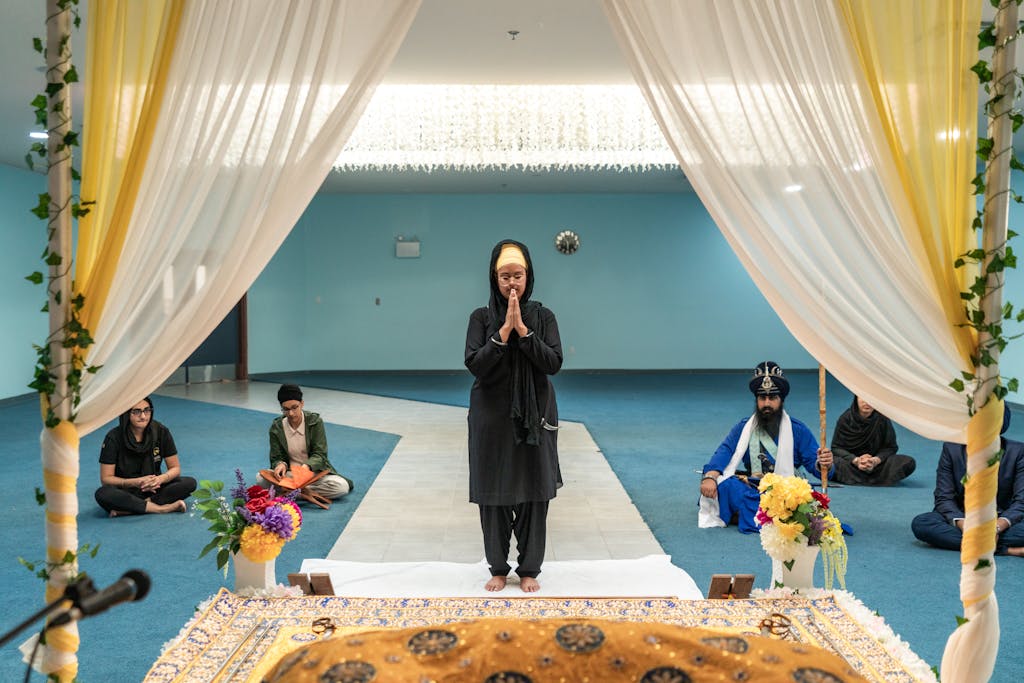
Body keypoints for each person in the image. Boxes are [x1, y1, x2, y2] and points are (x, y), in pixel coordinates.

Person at [465, 240, 563, 592]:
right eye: (504, 276)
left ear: (528, 276)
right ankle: (496, 566)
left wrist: (523, 330)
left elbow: (553, 362)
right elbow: (475, 364)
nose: (511, 284)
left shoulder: (543, 316)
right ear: (494, 278)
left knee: (535, 491)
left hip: (535, 416)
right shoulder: (481, 317)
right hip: (491, 417)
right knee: (493, 491)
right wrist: (503, 332)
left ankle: (529, 569)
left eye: (517, 276)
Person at [698, 361, 834, 533]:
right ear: (757, 400)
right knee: (724, 485)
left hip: (786, 490)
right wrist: (710, 476)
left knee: (804, 496)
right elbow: (724, 452)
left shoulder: (797, 430)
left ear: (781, 400)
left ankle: (743, 514)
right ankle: (768, 516)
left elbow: (816, 465)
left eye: (772, 398)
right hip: (754, 486)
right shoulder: (743, 427)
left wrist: (824, 463)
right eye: (762, 398)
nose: (767, 403)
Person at [911, 405, 1024, 556]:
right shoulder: (952, 449)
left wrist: (996, 528)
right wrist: (966, 526)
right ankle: (1006, 550)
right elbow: (944, 497)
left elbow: (1021, 501)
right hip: (963, 517)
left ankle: (976, 544)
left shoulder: (1018, 452)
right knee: (922, 524)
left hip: (1003, 519)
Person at [94, 397, 197, 517]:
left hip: (154, 488)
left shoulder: (161, 431)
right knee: (103, 493)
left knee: (190, 483)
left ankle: (131, 509)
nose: (143, 416)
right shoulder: (113, 438)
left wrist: (160, 479)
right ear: (126, 413)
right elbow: (106, 479)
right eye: (136, 412)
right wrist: (135, 482)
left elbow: (175, 468)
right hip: (126, 490)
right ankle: (161, 509)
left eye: (147, 410)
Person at [265, 384, 353, 500]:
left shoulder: (314, 422)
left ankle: (293, 492)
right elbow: (276, 457)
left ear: (302, 403)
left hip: (314, 474)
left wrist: (306, 467)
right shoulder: (277, 427)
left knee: (341, 487)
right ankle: (303, 492)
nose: (291, 413)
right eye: (286, 409)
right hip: (291, 474)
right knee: (261, 479)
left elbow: (320, 455)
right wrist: (280, 464)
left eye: (294, 407)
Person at [829, 395, 916, 486]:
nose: (866, 403)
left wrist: (875, 460)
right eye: (862, 398)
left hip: (876, 465)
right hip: (852, 464)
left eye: (870, 399)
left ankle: (857, 479)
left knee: (908, 462)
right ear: (856, 400)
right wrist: (856, 460)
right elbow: (836, 448)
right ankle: (877, 479)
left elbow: (891, 447)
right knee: (830, 462)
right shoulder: (846, 418)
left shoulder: (882, 418)